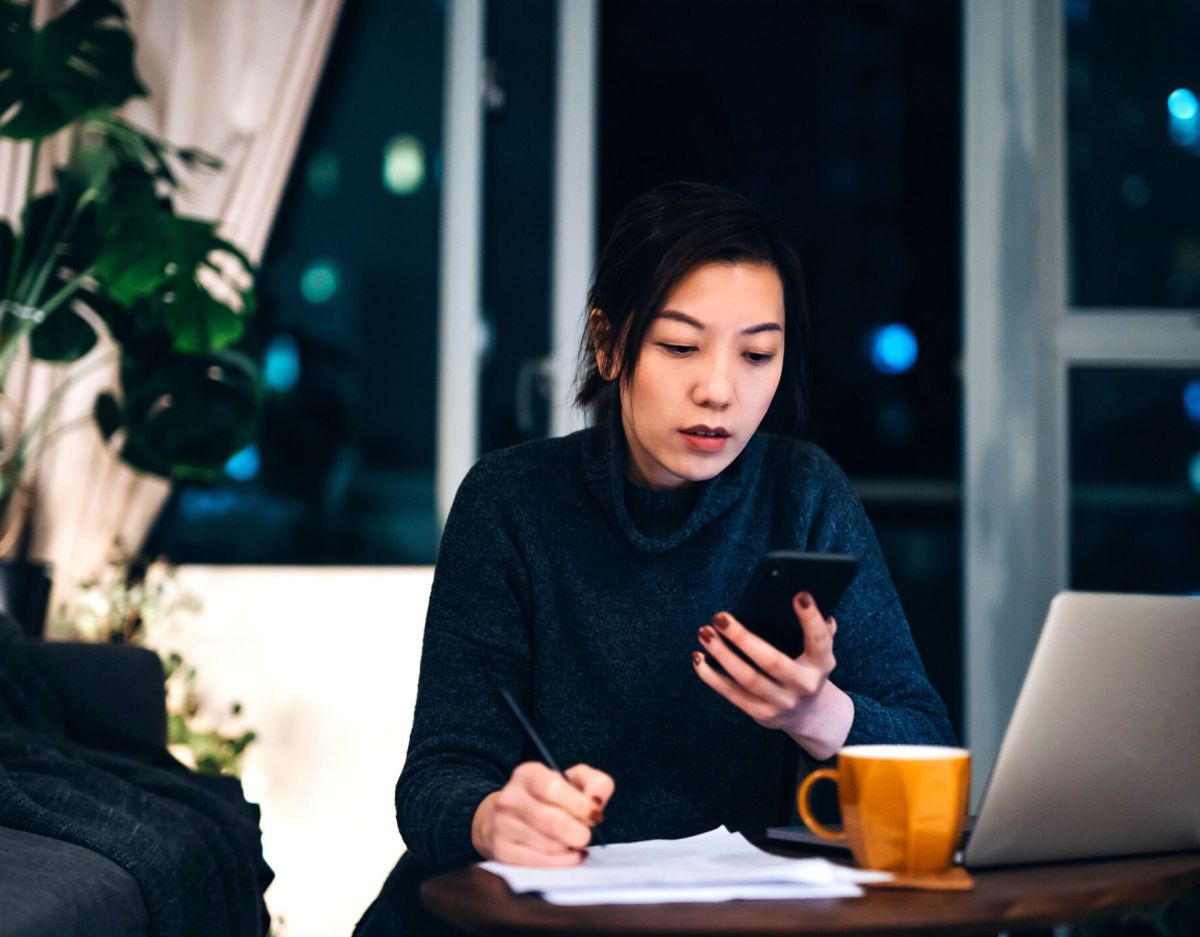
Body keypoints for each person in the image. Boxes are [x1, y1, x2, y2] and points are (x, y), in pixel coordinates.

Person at [355, 181, 954, 935]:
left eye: (758, 354)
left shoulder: (803, 495)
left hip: (724, 920)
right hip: (518, 921)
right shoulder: (510, 502)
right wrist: (491, 819)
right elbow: (437, 776)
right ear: (609, 344)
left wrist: (817, 712)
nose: (718, 390)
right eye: (679, 346)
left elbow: (928, 751)